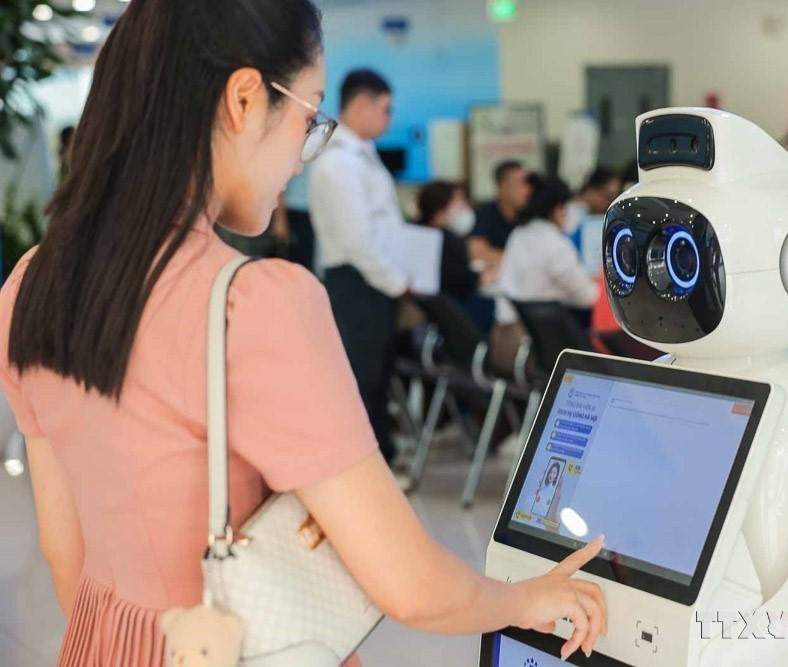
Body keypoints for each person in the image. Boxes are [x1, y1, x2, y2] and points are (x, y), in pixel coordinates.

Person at [0, 2, 607, 665]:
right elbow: (410, 583)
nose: (301, 158)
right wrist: (527, 599)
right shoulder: (251, 302)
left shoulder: (29, 285)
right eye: (308, 116)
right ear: (242, 98)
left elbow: (64, 551)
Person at [310, 69, 407, 465]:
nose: (389, 119)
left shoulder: (362, 155)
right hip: (357, 280)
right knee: (363, 377)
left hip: (373, 280)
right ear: (362, 104)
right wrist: (396, 281)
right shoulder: (339, 163)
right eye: (386, 109)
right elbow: (357, 240)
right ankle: (370, 464)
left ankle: (383, 456)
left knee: (378, 374)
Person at [495, 174, 599, 327]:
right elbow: (588, 297)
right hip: (539, 335)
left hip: (506, 330)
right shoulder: (556, 244)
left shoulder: (518, 234)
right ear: (557, 209)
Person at [416, 180, 488, 301]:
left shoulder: (417, 232)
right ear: (439, 211)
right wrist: (483, 277)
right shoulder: (445, 241)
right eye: (459, 202)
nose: (465, 208)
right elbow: (464, 282)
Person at [468, 160, 532, 265]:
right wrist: (519, 260)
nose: (527, 190)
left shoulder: (533, 216)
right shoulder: (485, 214)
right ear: (501, 186)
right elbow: (477, 252)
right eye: (521, 184)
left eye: (529, 184)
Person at [272, 164, 316, 272]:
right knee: (299, 261)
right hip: (297, 208)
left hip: (315, 210)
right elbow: (280, 182)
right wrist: (280, 219)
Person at [564, 166, 622, 237]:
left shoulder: (600, 218)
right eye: (608, 197)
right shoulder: (569, 213)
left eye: (613, 198)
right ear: (592, 190)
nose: (610, 203)